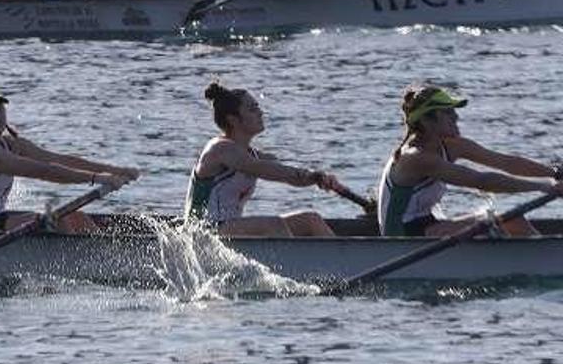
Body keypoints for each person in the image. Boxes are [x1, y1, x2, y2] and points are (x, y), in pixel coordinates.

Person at [377, 85, 563, 237]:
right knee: (499, 223)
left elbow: (505, 162)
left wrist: (555, 173)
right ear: (427, 121)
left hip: (428, 224)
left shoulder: (453, 146)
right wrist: (545, 186)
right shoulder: (416, 158)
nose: (456, 117)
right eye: (448, 113)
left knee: (512, 220)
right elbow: (482, 181)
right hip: (402, 236)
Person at [0, 86, 138, 231]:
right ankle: (82, 264)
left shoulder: (12, 144)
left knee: (76, 217)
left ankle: (101, 258)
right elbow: (43, 171)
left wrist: (116, 171)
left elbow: (56, 160)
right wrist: (97, 179)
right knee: (59, 219)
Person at [184, 82, 344, 237]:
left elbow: (291, 177)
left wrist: (319, 179)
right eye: (253, 109)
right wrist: (313, 176)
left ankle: (341, 262)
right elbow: (274, 172)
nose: (260, 113)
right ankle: (295, 263)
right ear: (233, 119)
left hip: (228, 229)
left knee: (310, 220)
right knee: (273, 225)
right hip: (203, 232)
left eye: (258, 107)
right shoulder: (220, 149)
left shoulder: (254, 155)